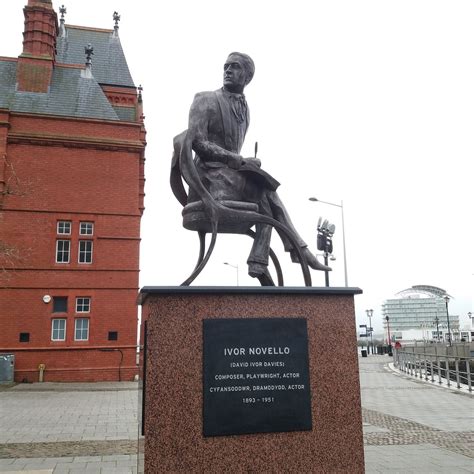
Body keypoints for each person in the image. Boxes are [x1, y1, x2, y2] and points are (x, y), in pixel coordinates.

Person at [184, 52, 330, 284]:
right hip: (208, 181)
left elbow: (232, 152)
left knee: (264, 193)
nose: (228, 70)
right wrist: (239, 160)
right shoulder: (204, 99)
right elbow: (198, 143)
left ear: (247, 76)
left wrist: (246, 163)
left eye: (235, 67)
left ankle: (263, 260)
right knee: (265, 192)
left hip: (231, 179)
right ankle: (291, 252)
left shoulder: (245, 111)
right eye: (226, 66)